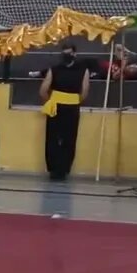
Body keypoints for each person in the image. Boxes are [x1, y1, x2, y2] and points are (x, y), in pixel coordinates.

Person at [39, 44, 90, 181]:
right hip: (56, 106)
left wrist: (73, 101)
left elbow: (84, 92)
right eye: (64, 53)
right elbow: (43, 90)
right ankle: (53, 169)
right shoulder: (54, 69)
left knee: (69, 139)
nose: (66, 56)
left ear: (75, 54)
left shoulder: (83, 71)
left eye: (69, 53)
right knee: (52, 139)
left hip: (72, 106)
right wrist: (51, 101)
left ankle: (63, 170)